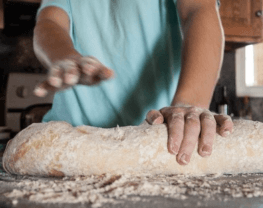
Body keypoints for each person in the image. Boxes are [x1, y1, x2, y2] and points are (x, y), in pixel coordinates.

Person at [33, 0, 233, 166]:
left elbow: (198, 9)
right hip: (67, 145)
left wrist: (188, 105)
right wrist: (65, 57)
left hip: (158, 140)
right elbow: (50, 21)